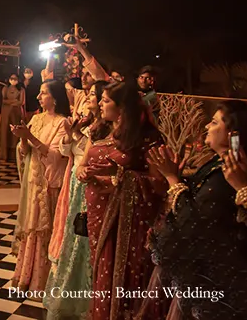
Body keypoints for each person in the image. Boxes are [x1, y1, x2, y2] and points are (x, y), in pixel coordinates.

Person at [142, 101, 247, 320]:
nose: (206, 126)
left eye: (214, 122)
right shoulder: (220, 165)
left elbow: (194, 222)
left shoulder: (229, 175)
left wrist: (173, 179)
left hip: (221, 280)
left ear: (233, 135)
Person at [79, 81, 165, 320]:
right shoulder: (106, 130)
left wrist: (120, 176)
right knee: (103, 266)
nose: (100, 103)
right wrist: (88, 171)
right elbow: (93, 162)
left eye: (106, 100)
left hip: (133, 219)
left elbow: (160, 182)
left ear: (122, 107)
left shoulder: (147, 137)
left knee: (129, 273)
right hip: (106, 211)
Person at [42, 80, 109, 320]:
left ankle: (83, 300)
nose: (92, 98)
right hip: (74, 183)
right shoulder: (87, 122)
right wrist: (73, 135)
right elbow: (66, 151)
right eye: (92, 94)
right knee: (70, 234)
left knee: (83, 237)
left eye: (96, 95)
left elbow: (89, 155)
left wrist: (76, 137)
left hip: (88, 185)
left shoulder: (105, 128)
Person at [9, 80, 70, 292]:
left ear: (55, 97)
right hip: (33, 180)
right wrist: (22, 139)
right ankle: (24, 276)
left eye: (43, 93)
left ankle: (41, 281)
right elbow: (25, 152)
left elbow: (55, 156)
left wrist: (30, 137)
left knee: (43, 229)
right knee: (30, 227)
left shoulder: (63, 123)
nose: (38, 97)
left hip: (48, 183)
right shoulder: (36, 118)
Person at [0, 74, 25, 158]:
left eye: (15, 79)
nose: (13, 80)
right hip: (5, 113)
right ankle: (4, 154)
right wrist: (12, 101)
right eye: (11, 78)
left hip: (16, 113)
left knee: (15, 131)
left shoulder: (21, 90)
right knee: (5, 131)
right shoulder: (5, 88)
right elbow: (2, 100)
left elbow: (21, 102)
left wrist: (11, 102)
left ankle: (14, 155)